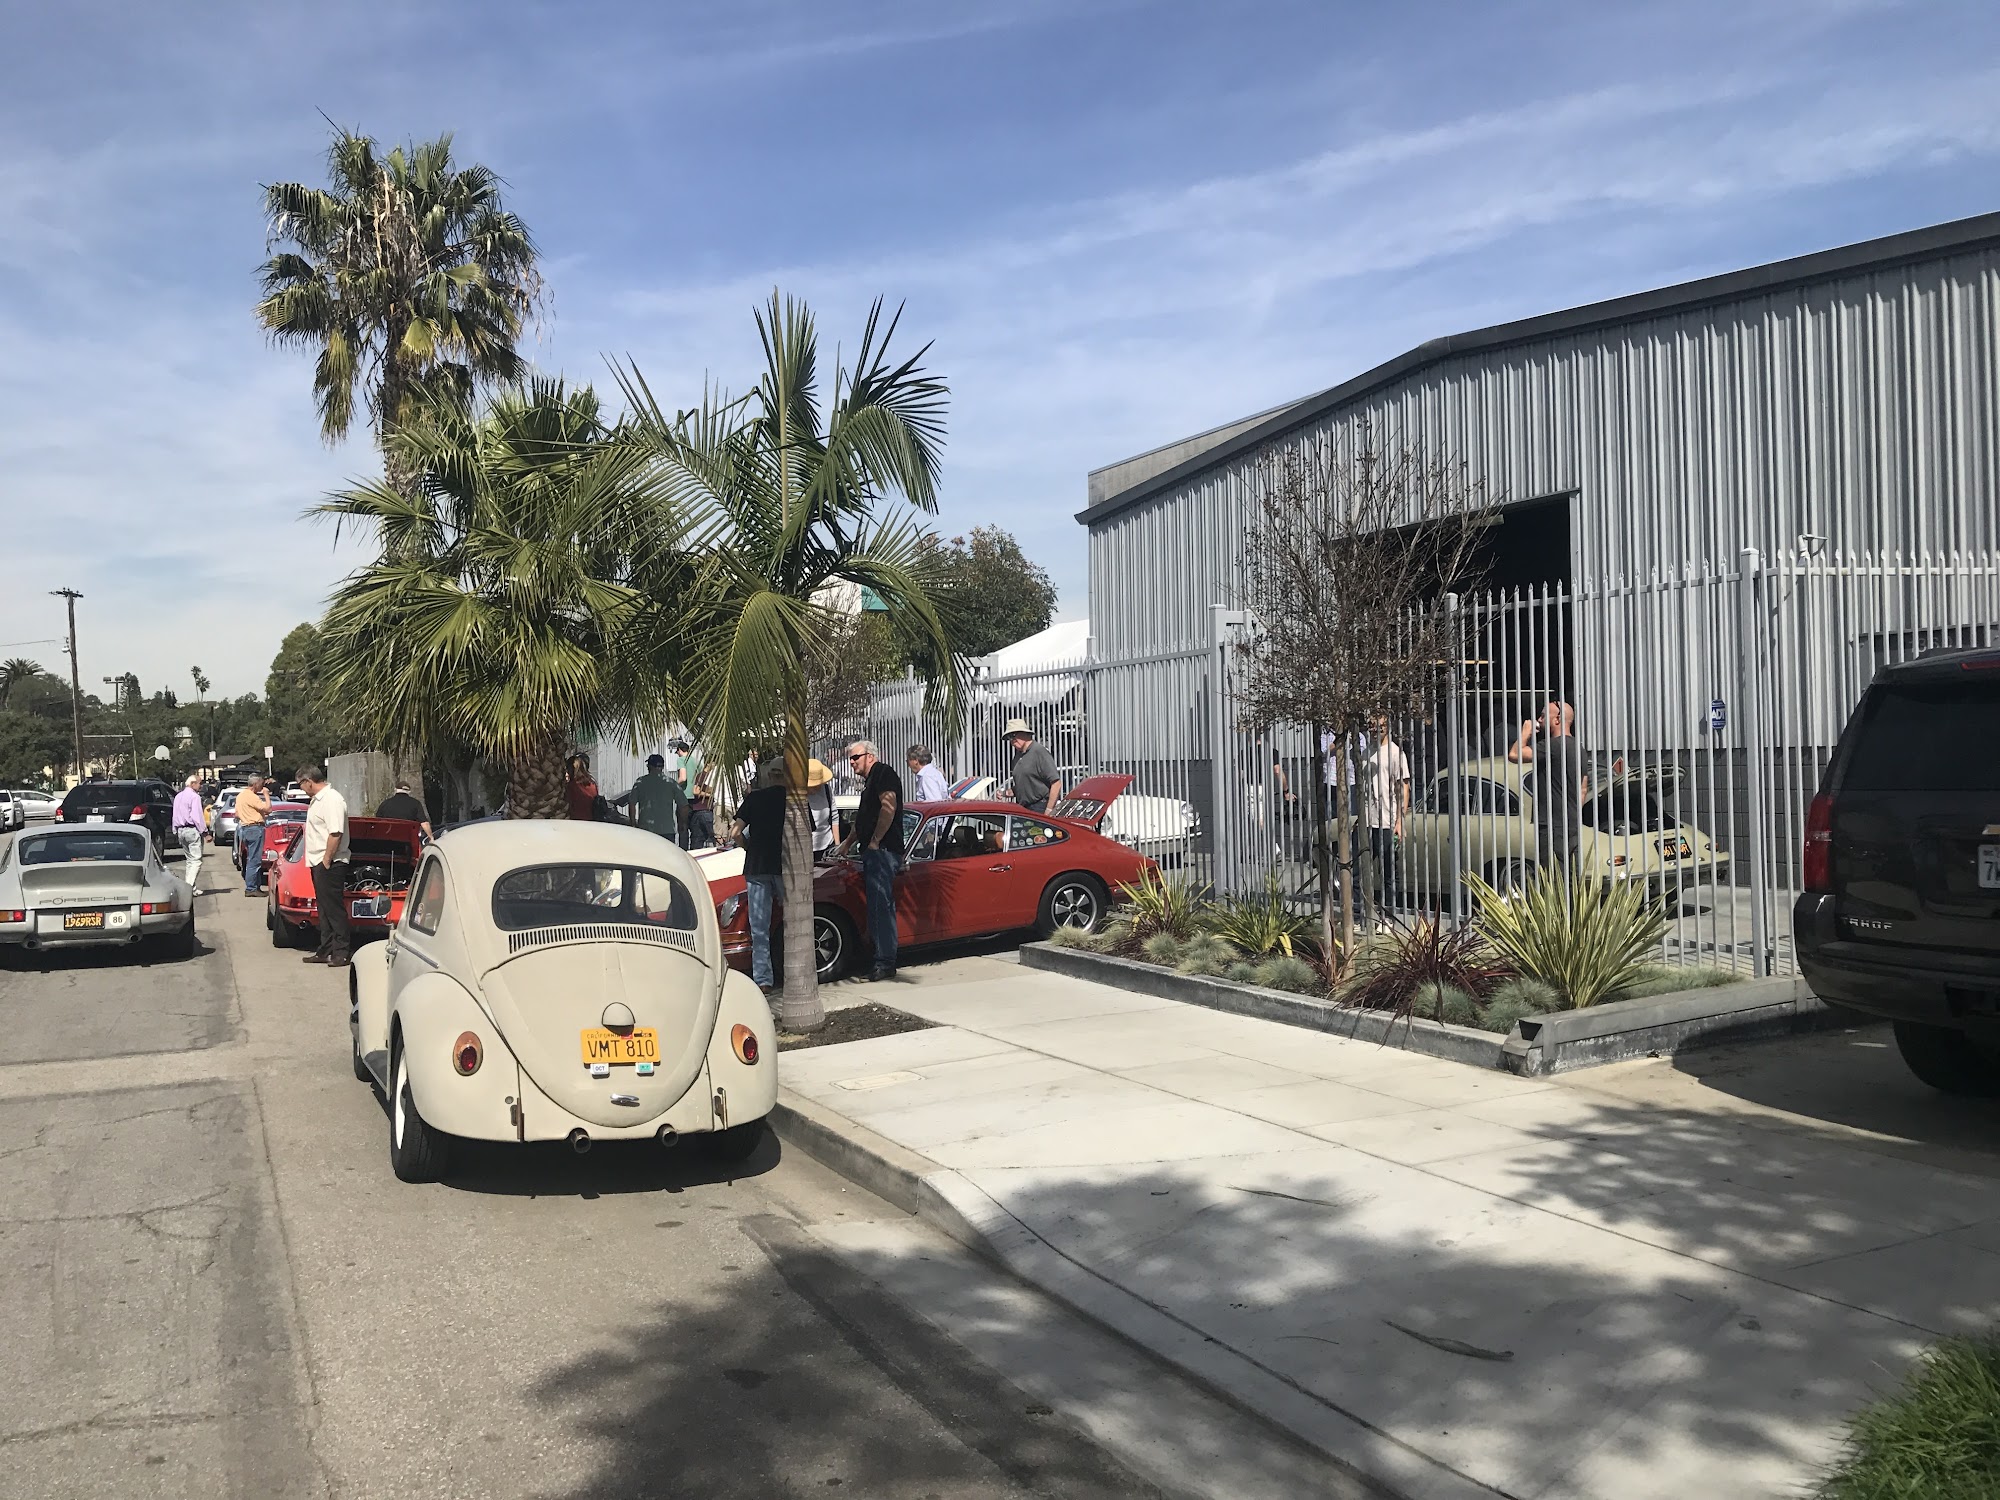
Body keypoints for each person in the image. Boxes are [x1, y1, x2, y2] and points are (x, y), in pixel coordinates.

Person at [839, 740, 904, 981]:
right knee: (875, 907)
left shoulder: (883, 773)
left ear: (870, 756)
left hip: (883, 851)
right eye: (850, 758)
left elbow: (888, 807)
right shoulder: (868, 783)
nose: (852, 762)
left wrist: (876, 841)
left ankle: (885, 962)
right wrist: (847, 843)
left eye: (856, 757)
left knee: (880, 907)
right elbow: (863, 818)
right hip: (872, 851)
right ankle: (879, 958)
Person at [1508, 700, 1589, 866]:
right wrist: (1572, 812)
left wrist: (1526, 731)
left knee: (1552, 874)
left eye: (1543, 716)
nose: (1539, 719)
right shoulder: (1578, 748)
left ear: (1557, 719)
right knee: (1570, 875)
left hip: (1553, 825)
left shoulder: (1553, 746)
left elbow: (1514, 754)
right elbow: (1583, 788)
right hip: (1571, 824)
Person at [731, 759, 787, 1000]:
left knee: (760, 927)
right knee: (793, 923)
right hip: (785, 866)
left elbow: (735, 832)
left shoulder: (754, 798)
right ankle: (792, 970)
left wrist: (748, 847)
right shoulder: (794, 800)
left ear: (769, 775)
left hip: (757, 865)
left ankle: (763, 980)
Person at [296, 765, 352, 968]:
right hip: (318, 861)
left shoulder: (331, 799)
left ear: (308, 781)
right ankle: (325, 949)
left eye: (301, 784)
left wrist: (327, 860)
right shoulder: (317, 800)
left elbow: (335, 833)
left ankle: (342, 952)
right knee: (324, 908)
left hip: (330, 861)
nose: (302, 789)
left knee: (334, 909)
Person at [1359, 718, 1412, 910]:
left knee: (1388, 871)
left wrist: (1400, 821)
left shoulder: (1396, 753)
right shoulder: (1366, 753)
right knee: (1358, 869)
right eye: (1371, 726)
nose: (1375, 730)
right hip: (1367, 820)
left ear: (1387, 727)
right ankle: (1359, 913)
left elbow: (1404, 787)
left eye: (1379, 726)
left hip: (1387, 820)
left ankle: (1389, 914)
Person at [612, 753, 688, 843]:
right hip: (667, 830)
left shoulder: (640, 782)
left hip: (646, 831)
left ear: (650, 766)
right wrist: (682, 823)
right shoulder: (671, 783)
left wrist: (633, 824)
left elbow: (632, 804)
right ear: (662, 767)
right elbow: (684, 806)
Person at [1002, 719, 1062, 813]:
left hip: (1040, 806)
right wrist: (1007, 792)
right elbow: (1026, 786)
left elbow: (1056, 783)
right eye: (1009, 737)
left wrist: (1049, 810)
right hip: (1024, 807)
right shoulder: (1018, 756)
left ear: (1025, 733)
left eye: (1013, 735)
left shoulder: (1039, 752)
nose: (1012, 741)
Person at [171, 775, 210, 895]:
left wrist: (175, 829)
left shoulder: (178, 796)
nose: (200, 786)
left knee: (190, 860)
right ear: (192, 784)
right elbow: (197, 816)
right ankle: (188, 888)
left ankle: (191, 888)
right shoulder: (195, 797)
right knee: (196, 860)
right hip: (191, 830)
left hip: (181, 830)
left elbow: (175, 815)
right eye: (199, 783)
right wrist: (205, 832)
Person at [235, 776, 273, 896]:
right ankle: (251, 888)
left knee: (252, 858)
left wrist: (252, 815)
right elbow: (268, 809)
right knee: (254, 860)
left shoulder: (240, 796)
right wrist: (266, 795)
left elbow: (237, 814)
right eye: (261, 784)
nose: (262, 787)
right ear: (255, 784)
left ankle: (255, 886)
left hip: (245, 828)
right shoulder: (251, 796)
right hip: (254, 828)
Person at [805, 758, 837, 860]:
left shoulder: (826, 790)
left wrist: (837, 846)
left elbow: (834, 817)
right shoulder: (798, 796)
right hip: (807, 849)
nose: (817, 787)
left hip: (827, 845)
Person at [566, 754, 603, 823]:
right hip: (591, 822)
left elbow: (569, 806)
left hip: (576, 822)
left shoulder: (572, 786)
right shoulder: (592, 784)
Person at [686, 778, 716, 849]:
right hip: (707, 809)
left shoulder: (700, 775)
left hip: (697, 810)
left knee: (696, 841)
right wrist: (713, 795)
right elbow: (696, 791)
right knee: (716, 838)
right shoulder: (713, 775)